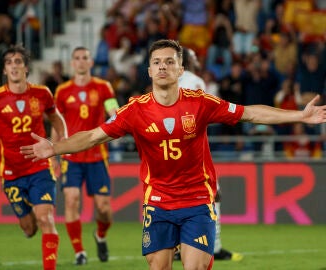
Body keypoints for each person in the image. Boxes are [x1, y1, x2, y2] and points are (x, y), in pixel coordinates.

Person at [20, 39, 326, 270]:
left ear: (181, 69)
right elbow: (93, 135)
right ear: (150, 69)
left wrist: (299, 116)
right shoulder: (135, 111)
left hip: (196, 201)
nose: (163, 66)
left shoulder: (201, 102)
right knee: (159, 265)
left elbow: (250, 114)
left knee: (193, 267)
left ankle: (192, 247)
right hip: (158, 202)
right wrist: (55, 147)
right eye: (157, 62)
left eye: (169, 61)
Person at [0, 44, 66, 270]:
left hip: (40, 166)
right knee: (29, 228)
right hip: (11, 172)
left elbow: (56, 118)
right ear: (4, 70)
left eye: (18, 62)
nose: (14, 66)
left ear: (26, 68)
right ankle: (28, 219)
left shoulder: (42, 93)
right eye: (9, 62)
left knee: (46, 218)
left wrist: (61, 143)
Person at [53, 46, 119, 265]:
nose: (81, 62)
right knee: (71, 200)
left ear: (91, 63)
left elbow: (114, 113)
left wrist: (117, 121)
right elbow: (57, 124)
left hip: (97, 155)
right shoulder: (62, 91)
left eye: (85, 58)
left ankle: (100, 235)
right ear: (72, 63)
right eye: (77, 58)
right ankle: (79, 252)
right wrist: (53, 153)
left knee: (104, 209)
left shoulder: (103, 87)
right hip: (71, 157)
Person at [177, 47, 243, 262]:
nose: (199, 60)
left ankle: (179, 247)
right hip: (191, 150)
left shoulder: (165, 82)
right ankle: (214, 247)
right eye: (195, 56)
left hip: (169, 149)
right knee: (214, 193)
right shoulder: (196, 81)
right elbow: (197, 114)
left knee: (175, 197)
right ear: (188, 60)